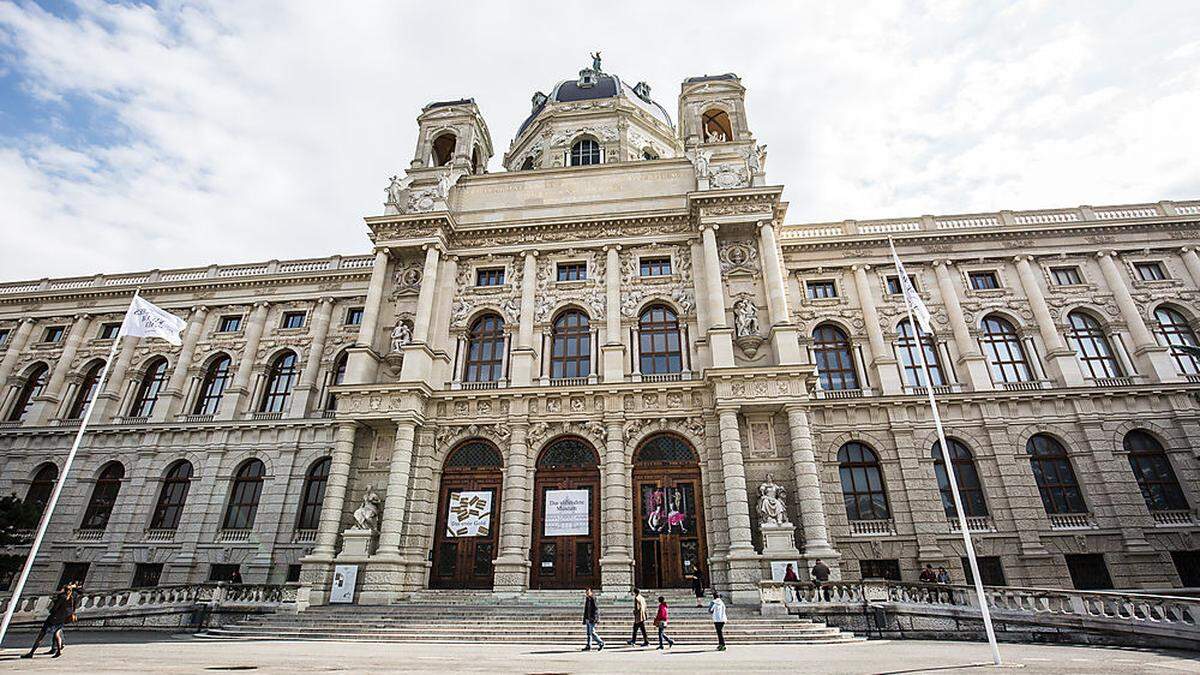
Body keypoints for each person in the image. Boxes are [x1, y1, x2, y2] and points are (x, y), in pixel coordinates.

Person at [21, 582, 78, 659]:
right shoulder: (73, 596)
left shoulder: (62, 597)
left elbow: (54, 608)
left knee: (41, 635)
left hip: (54, 618)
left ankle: (31, 652)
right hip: (62, 618)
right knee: (57, 634)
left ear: (64, 590)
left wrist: (51, 610)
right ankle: (59, 651)